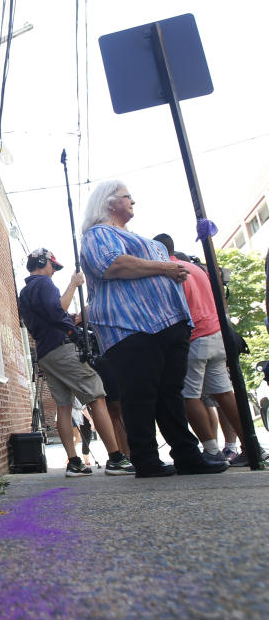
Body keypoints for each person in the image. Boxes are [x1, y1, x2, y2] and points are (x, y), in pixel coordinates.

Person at [79, 181, 228, 477]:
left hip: (166, 326)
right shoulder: (98, 234)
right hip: (129, 327)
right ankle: (146, 459)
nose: (133, 201)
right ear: (109, 203)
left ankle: (187, 455)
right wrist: (165, 268)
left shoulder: (134, 237)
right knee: (140, 394)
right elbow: (113, 265)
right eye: (127, 196)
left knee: (169, 393)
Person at [18, 247, 135, 477]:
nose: (54, 271)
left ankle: (74, 463)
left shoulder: (25, 292)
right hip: (61, 349)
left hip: (45, 353)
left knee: (64, 405)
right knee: (97, 397)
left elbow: (46, 317)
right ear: (43, 262)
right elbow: (57, 309)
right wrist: (73, 284)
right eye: (53, 266)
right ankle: (116, 458)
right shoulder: (44, 284)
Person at [151, 233, 251, 466]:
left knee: (189, 395)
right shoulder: (196, 268)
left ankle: (211, 450)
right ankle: (250, 446)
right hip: (216, 333)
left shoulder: (169, 271)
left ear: (157, 251)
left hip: (194, 337)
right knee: (224, 392)